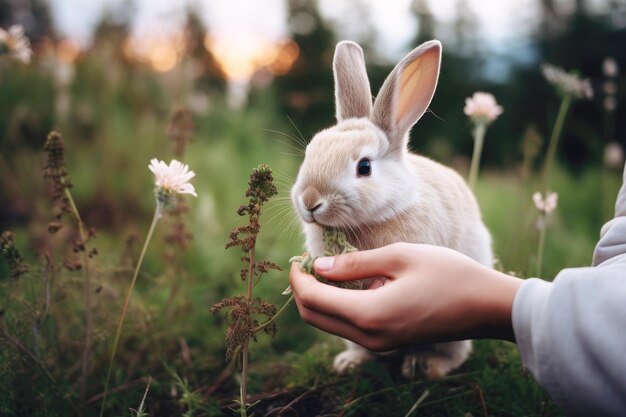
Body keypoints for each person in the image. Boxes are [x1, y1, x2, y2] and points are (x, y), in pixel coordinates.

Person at [289, 164, 626, 417]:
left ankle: (448, 353)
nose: (309, 201)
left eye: (362, 168)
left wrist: (497, 304)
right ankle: (363, 350)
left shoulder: (413, 210)